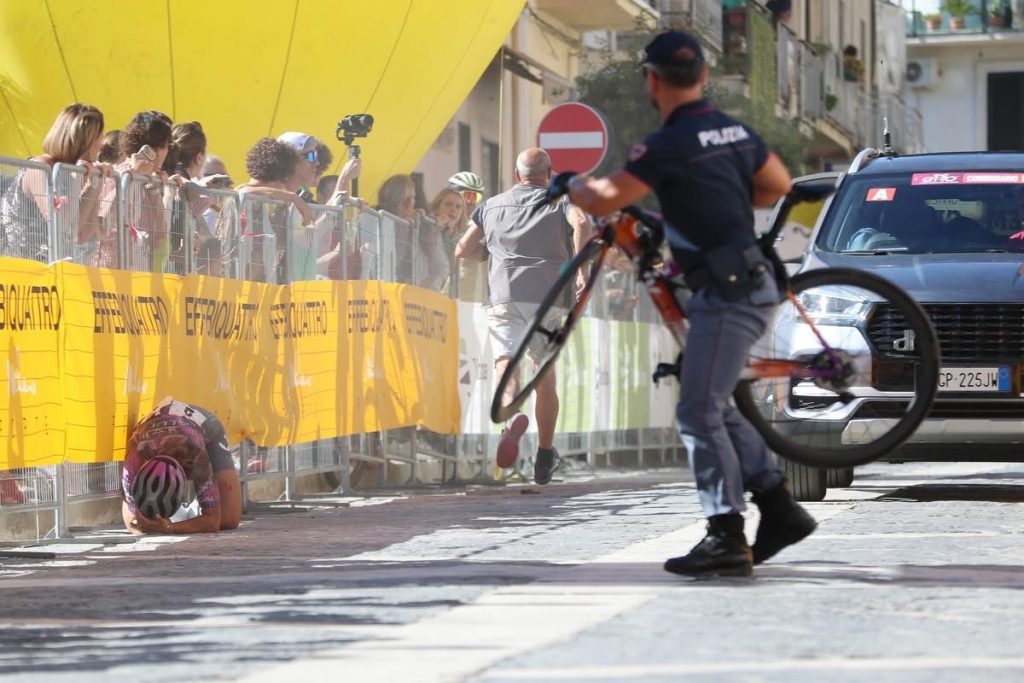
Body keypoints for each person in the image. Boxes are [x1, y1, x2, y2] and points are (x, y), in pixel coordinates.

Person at [561, 31, 815, 577]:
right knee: (715, 403)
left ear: (652, 80)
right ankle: (777, 507)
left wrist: (573, 184)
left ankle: (725, 531)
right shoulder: (734, 130)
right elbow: (777, 184)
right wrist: (719, 195)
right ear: (702, 75)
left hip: (729, 293)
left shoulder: (667, 145)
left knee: (698, 410)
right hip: (750, 279)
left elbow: (607, 199)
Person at [454, 148, 590, 484]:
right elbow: (583, 223)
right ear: (550, 173)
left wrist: (491, 252)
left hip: (504, 295)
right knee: (544, 374)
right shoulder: (562, 201)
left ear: (517, 175)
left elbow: (462, 250)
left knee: (506, 364)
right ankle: (544, 455)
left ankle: (511, 413)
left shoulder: (491, 205)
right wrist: (581, 267)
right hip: (549, 297)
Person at [0, 103, 110, 262]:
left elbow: (79, 233)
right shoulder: (39, 169)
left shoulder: (69, 171)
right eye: (99, 135)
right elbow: (59, 223)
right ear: (82, 139)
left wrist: (94, 184)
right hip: (22, 273)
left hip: (53, 273)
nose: (103, 141)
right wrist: (76, 178)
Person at [121, 397, 241, 534]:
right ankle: (187, 514)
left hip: (204, 425)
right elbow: (133, 523)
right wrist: (148, 525)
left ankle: (195, 505)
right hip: (153, 426)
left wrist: (170, 528)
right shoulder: (134, 457)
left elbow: (213, 521)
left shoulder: (193, 453)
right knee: (134, 521)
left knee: (228, 520)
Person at [448, 171, 488, 301]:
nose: (471, 201)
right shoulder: (439, 223)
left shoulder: (479, 227)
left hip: (472, 299)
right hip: (445, 295)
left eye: (475, 196)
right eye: (467, 195)